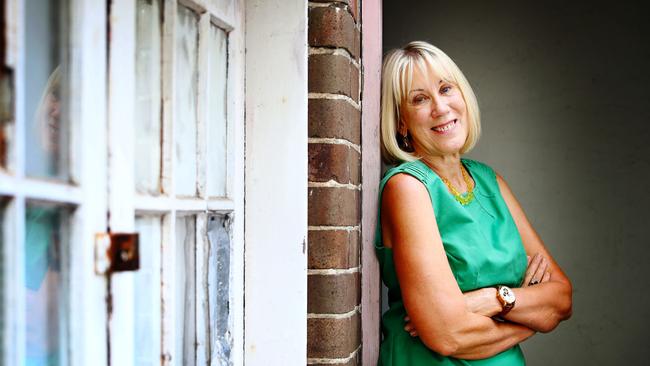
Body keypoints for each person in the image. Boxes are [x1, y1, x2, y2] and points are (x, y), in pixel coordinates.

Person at [375, 41, 572, 365]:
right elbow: (448, 334)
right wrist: (529, 321)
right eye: (420, 99)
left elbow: (561, 298)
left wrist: (494, 299)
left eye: (446, 89)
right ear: (401, 123)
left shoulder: (489, 180)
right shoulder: (408, 188)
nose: (441, 108)